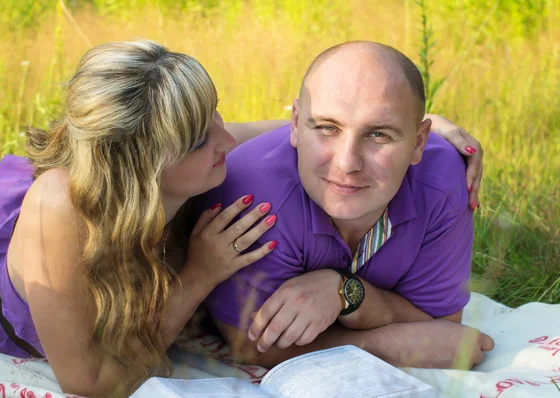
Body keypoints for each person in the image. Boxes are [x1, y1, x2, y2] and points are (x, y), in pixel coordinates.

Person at [0, 40, 483, 397]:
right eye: (201, 138)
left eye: (214, 115)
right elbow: (91, 379)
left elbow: (303, 124)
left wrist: (429, 135)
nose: (229, 141)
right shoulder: (63, 212)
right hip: (14, 283)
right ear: (143, 163)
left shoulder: (193, 159)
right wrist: (198, 276)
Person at [198, 41, 494, 370]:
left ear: (419, 142)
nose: (347, 162)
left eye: (378, 134)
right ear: (295, 124)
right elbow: (252, 344)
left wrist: (346, 292)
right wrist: (382, 344)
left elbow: (441, 326)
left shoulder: (443, 182)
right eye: (327, 128)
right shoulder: (252, 197)